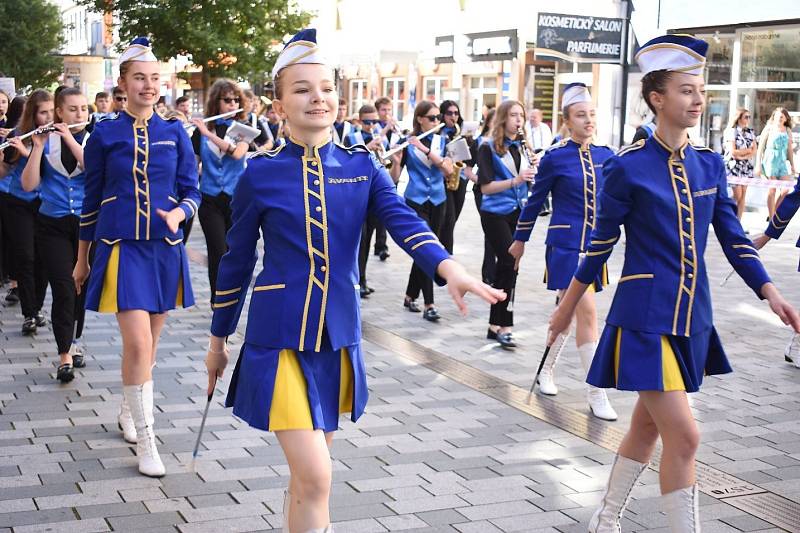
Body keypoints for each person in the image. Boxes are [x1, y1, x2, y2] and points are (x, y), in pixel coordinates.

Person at [203, 29, 503, 533]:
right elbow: (235, 260)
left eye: (324, 88)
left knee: (308, 481)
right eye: (301, 89)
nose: (316, 97)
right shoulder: (260, 173)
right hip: (276, 337)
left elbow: (404, 222)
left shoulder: (361, 166)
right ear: (278, 105)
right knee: (317, 477)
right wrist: (218, 341)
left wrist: (449, 268)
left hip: (337, 336)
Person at [548, 35, 799, 532]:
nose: (698, 99)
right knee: (684, 438)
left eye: (700, 89)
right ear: (657, 98)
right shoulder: (627, 166)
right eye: (686, 90)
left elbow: (732, 238)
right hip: (642, 319)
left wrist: (771, 293)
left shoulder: (710, 163)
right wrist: (565, 308)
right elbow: (598, 246)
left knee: (646, 427)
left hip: (691, 317)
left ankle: (605, 518)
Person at [73, 37, 201, 478]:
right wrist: (82, 258)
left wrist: (180, 213)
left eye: (155, 79)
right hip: (121, 249)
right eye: (139, 78)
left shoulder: (175, 133)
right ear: (122, 84)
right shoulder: (103, 134)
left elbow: (192, 191)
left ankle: (130, 410)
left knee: (150, 347)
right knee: (138, 343)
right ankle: (147, 440)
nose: (149, 86)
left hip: (164, 251)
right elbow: (90, 202)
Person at [508, 83, 617, 420]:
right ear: (567, 121)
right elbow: (535, 202)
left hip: (595, 248)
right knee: (587, 313)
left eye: (591, 114)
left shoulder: (607, 156)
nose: (588, 121)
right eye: (581, 115)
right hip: (565, 246)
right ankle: (596, 391)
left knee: (567, 317)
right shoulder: (555, 157)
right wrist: (519, 240)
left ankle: (546, 369)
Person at [20, 87, 90, 383]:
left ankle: (74, 338)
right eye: (72, 109)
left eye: (84, 109)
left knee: (80, 287)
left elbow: (90, 165)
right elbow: (28, 185)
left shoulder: (94, 140)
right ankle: (64, 354)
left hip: (87, 226)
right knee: (62, 285)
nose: (79, 115)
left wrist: (69, 137)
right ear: (59, 112)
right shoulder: (45, 142)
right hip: (53, 225)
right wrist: (36, 147)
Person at [476, 100, 533, 349]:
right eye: (513, 115)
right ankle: (505, 325)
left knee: (509, 267)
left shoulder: (522, 146)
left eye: (521, 115)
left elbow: (526, 182)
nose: (518, 120)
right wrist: (517, 180)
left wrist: (534, 175)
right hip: (495, 212)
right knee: (509, 261)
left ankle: (494, 325)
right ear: (502, 118)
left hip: (518, 211)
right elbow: (486, 187)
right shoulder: (487, 147)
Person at [389, 101, 453, 321]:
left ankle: (409, 295)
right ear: (420, 119)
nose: (437, 122)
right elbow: (394, 179)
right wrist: (396, 162)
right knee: (426, 249)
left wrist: (424, 149)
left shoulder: (441, 141)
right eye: (432, 118)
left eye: (438, 118)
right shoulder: (405, 143)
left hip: (438, 200)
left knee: (426, 250)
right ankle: (429, 303)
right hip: (415, 200)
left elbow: (448, 170)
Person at [190, 79, 249, 303]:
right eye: (227, 100)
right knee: (217, 250)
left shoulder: (243, 129)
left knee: (233, 251)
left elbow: (236, 154)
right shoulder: (202, 131)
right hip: (210, 199)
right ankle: (218, 300)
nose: (232, 104)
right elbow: (194, 165)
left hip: (236, 200)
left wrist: (207, 133)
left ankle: (232, 295)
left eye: (236, 100)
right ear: (217, 102)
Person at [0, 90, 53, 335]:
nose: (49, 116)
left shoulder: (61, 138)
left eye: (53, 111)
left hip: (46, 204)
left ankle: (37, 306)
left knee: (43, 259)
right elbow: (3, 171)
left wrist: (27, 152)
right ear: (33, 114)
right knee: (26, 256)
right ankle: (30, 313)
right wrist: (7, 153)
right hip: (17, 201)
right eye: (44, 113)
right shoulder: (19, 134)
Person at [343, 104, 397, 298]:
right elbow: (345, 166)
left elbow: (386, 165)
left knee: (370, 239)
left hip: (374, 195)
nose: (371, 125)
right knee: (361, 241)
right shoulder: (352, 138)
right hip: (357, 196)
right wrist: (367, 148)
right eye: (367, 122)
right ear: (359, 121)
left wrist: (392, 160)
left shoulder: (380, 139)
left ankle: (363, 278)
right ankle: (356, 280)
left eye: (375, 122)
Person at [439, 100, 477, 255]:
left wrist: (469, 143)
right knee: (448, 220)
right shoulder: (438, 133)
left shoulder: (460, 132)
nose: (453, 116)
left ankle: (443, 249)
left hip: (459, 179)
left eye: (456, 113)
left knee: (452, 221)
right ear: (442, 115)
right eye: (449, 113)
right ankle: (447, 256)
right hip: (443, 180)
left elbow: (470, 160)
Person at [0, 94, 25, 304]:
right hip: (9, 194)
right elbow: (5, 168)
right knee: (12, 240)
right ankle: (15, 283)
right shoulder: (10, 134)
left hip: (31, 198)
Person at [757, 107, 796, 220]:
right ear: (773, 117)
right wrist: (758, 165)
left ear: (785, 119)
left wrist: (792, 165)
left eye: (781, 117)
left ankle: (773, 212)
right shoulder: (769, 128)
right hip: (770, 161)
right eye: (777, 116)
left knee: (785, 189)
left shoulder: (787, 130)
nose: (779, 118)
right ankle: (772, 216)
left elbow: (789, 149)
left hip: (782, 162)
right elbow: (760, 148)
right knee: (772, 189)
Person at [475, 109, 497, 285]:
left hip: (505, 193)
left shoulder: (511, 143)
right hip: (483, 190)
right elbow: (467, 169)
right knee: (490, 232)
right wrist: (484, 180)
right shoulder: (481, 143)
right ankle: (488, 273)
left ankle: (494, 272)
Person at [723, 108, 757, 219]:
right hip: (733, 166)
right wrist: (747, 151)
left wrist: (745, 154)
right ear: (739, 118)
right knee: (738, 195)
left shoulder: (750, 132)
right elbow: (733, 152)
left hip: (746, 167)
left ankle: (738, 222)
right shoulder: (731, 131)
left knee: (743, 196)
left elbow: (754, 151)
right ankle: (728, 215)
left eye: (749, 117)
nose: (748, 119)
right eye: (746, 117)